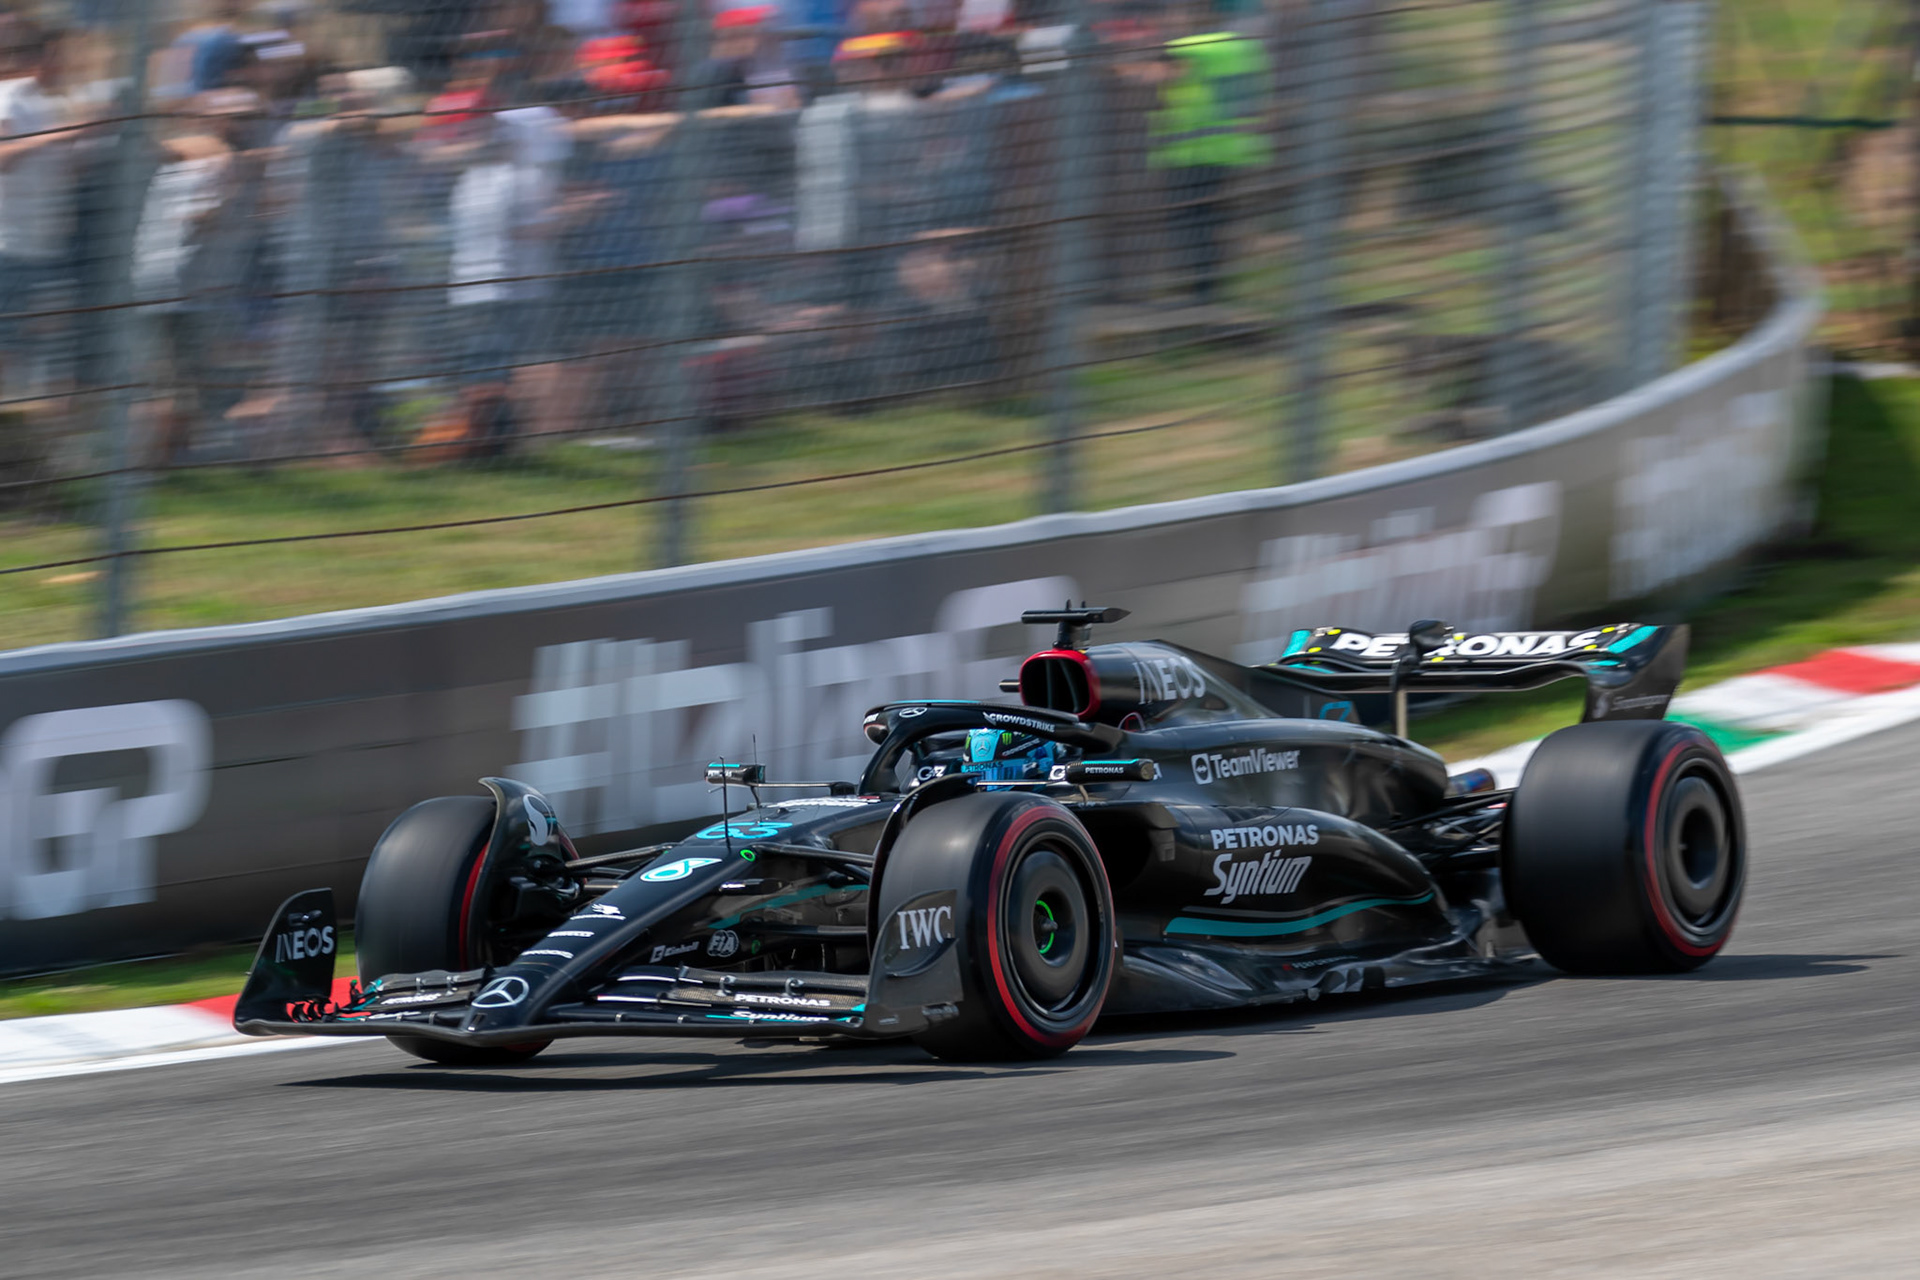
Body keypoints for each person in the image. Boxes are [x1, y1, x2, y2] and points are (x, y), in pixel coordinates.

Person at [1143, 3, 1269, 304]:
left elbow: (1152, 76)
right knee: (1212, 222)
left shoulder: (1185, 48)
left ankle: (1201, 293)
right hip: (1236, 147)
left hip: (1192, 151)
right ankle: (1212, 290)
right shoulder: (1245, 47)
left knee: (1189, 224)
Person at [0, 21, 77, 399]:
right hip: (9, 244)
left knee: (48, 334)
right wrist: (57, 136)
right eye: (61, 56)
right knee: (6, 340)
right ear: (41, 57)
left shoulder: (52, 103)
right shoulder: (9, 96)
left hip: (46, 246)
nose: (68, 64)